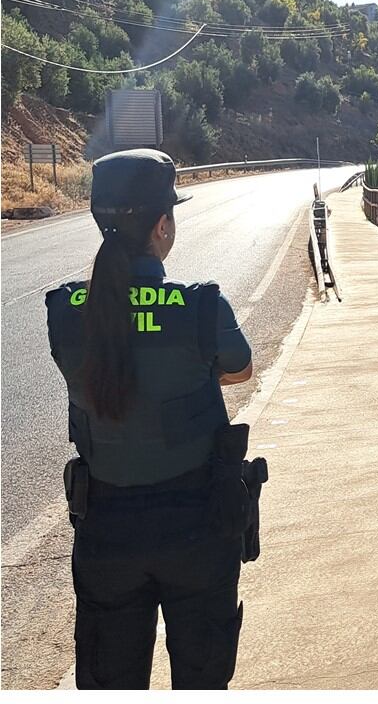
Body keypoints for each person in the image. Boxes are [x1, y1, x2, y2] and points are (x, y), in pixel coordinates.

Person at [45, 149, 254, 689]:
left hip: (107, 533)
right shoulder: (201, 308)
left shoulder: (67, 312)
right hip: (197, 530)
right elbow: (240, 369)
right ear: (163, 226)